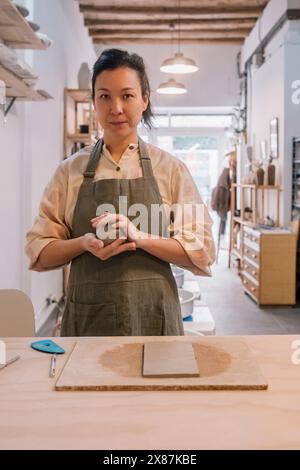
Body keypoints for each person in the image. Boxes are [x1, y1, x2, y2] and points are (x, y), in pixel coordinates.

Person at [25, 48, 215, 337]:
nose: (116, 108)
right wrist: (83, 244)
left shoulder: (173, 170)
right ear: (93, 102)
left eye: (127, 95)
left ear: (144, 99)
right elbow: (39, 252)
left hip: (155, 317)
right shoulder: (68, 172)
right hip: (89, 320)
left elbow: (203, 249)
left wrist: (140, 237)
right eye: (104, 96)